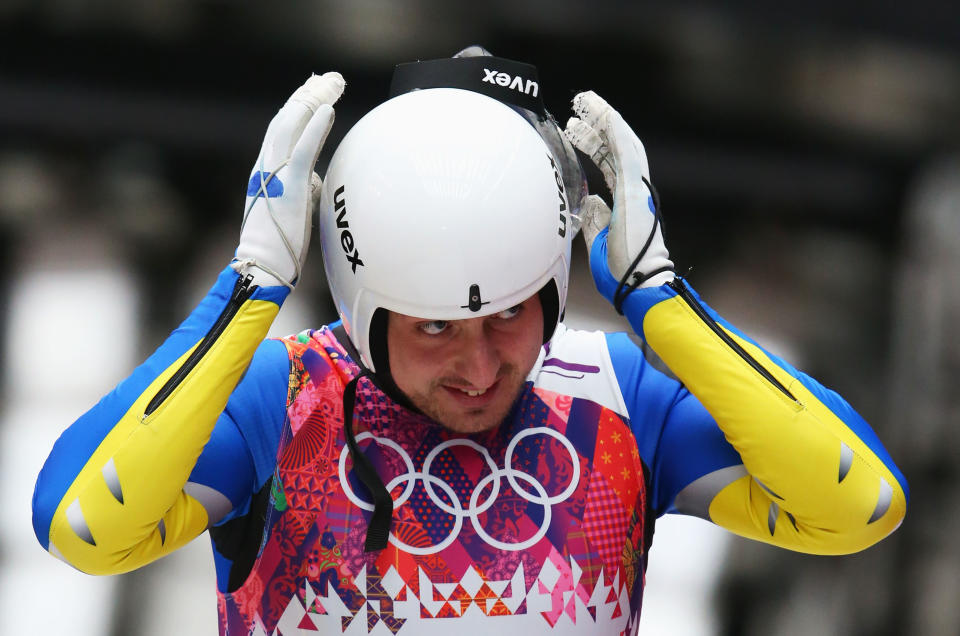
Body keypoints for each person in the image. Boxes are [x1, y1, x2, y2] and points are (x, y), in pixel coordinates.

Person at [32, 48, 908, 635]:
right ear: (361, 301)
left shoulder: (623, 397)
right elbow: (84, 528)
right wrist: (250, 287)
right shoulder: (281, 395)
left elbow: (856, 506)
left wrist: (660, 300)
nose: (480, 367)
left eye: (509, 316)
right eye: (434, 328)